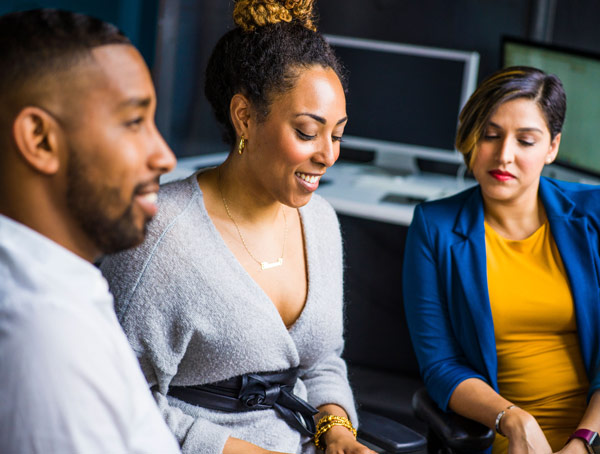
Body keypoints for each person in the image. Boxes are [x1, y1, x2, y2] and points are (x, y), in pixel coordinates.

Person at [100, 1, 375, 453]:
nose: (328, 155)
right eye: (308, 133)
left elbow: (322, 361)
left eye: (337, 134)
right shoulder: (161, 236)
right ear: (245, 117)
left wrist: (337, 431)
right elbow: (116, 400)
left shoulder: (320, 221)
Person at [0, 8, 181, 454]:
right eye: (134, 122)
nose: (164, 156)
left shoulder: (53, 291)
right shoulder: (47, 337)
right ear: (40, 139)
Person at [403, 66, 600, 454]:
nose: (503, 155)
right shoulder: (433, 227)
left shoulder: (594, 214)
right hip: (508, 440)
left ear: (552, 147)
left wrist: (584, 443)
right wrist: (513, 419)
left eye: (525, 141)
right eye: (490, 135)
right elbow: (441, 365)